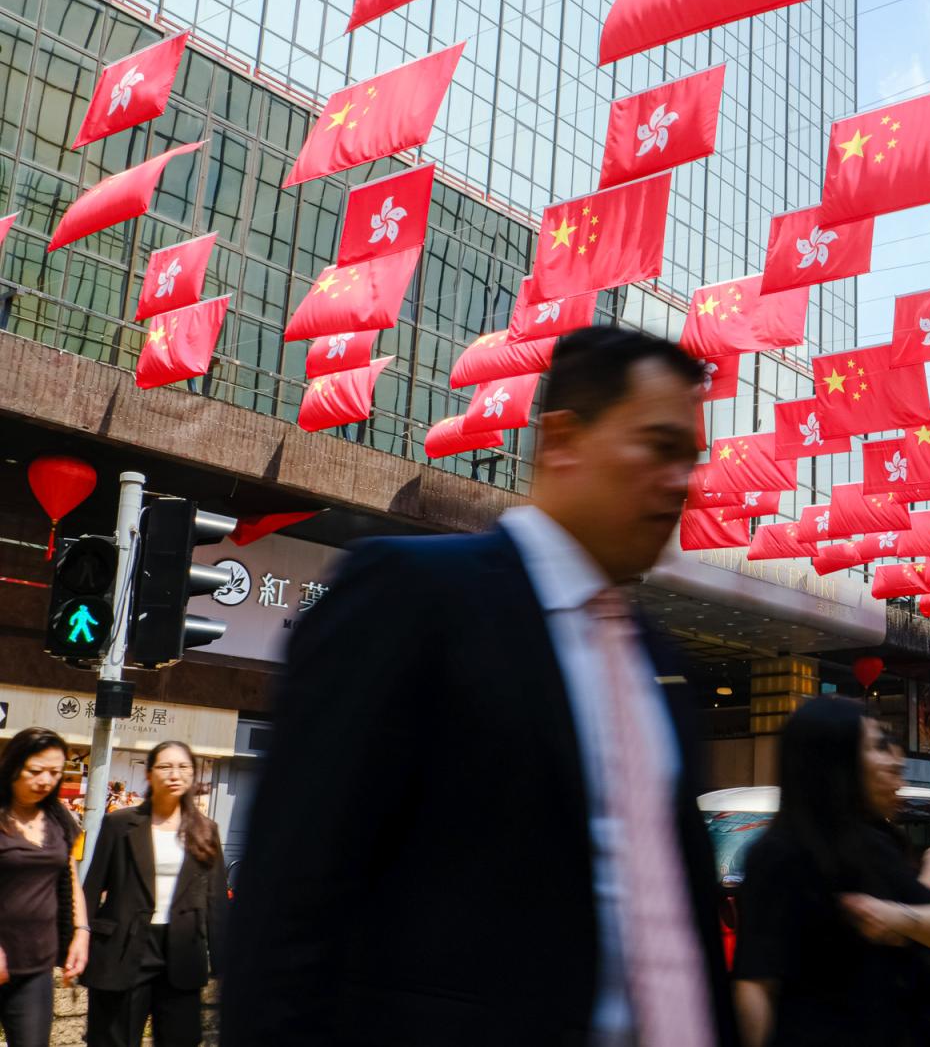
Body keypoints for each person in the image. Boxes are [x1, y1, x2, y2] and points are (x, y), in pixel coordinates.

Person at [221, 325, 735, 1047]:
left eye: (689, 458)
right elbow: (288, 910)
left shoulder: (662, 666)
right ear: (562, 439)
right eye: (657, 446)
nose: (681, 482)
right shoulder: (410, 600)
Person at [733, 697, 930, 1047]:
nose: (891, 760)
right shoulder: (776, 855)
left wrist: (895, 917)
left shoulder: (874, 843)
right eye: (875, 747)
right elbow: (755, 982)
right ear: (836, 760)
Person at [81, 740, 227, 1047]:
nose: (175, 774)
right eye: (165, 766)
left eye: (184, 767)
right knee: (114, 1039)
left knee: (181, 1039)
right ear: (148, 774)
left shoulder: (206, 830)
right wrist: (77, 941)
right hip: (123, 947)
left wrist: (227, 963)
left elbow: (215, 901)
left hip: (182, 952)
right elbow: (92, 887)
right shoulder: (119, 824)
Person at [0, 727, 89, 1047]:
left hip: (36, 966)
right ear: (13, 767)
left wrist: (81, 932)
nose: (46, 781)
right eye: (35, 771)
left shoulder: (59, 816)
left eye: (55, 772)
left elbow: (69, 877)